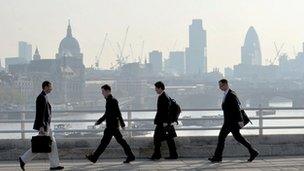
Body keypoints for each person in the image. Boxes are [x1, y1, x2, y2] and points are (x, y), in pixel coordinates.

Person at [208, 79, 259, 163]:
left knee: (221, 138)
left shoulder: (231, 94)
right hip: (229, 121)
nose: (219, 87)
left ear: (226, 84)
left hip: (231, 122)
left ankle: (218, 157)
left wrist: (240, 120)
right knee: (238, 137)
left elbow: (237, 108)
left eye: (221, 85)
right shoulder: (227, 94)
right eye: (219, 86)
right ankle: (253, 151)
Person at [19, 81, 64, 170]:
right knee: (39, 146)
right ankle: (23, 159)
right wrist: (41, 127)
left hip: (46, 125)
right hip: (43, 126)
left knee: (52, 144)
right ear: (46, 87)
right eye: (50, 87)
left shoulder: (44, 96)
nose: (51, 88)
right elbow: (40, 113)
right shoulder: (41, 97)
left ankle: (54, 165)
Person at [86, 84, 135, 163]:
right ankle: (130, 156)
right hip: (112, 126)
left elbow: (118, 113)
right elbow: (107, 114)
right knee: (119, 141)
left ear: (108, 91)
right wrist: (99, 121)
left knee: (106, 143)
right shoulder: (109, 100)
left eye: (103, 91)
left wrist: (122, 124)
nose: (102, 93)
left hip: (111, 127)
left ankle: (94, 157)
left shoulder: (112, 101)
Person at [149, 81, 178, 160]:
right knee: (168, 138)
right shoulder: (165, 96)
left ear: (160, 88)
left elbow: (166, 111)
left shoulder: (163, 97)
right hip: (163, 122)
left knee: (157, 138)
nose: (155, 90)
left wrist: (166, 122)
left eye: (156, 88)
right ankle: (172, 154)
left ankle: (158, 155)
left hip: (163, 122)